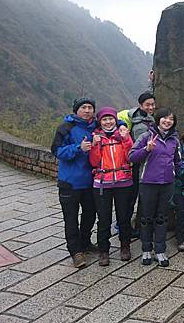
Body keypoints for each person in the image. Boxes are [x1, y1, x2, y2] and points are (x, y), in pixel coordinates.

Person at [129, 108, 181, 267]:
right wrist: (146, 149)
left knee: (162, 217)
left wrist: (173, 174)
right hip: (148, 183)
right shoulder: (146, 136)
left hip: (167, 184)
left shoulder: (174, 140)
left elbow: (178, 161)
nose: (167, 121)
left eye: (171, 119)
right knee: (146, 218)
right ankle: (146, 250)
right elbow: (132, 156)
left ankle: (160, 250)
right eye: (164, 118)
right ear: (158, 119)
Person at [50, 97, 98, 268]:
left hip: (91, 182)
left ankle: (85, 242)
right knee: (71, 219)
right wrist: (78, 148)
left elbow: (113, 120)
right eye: (83, 107)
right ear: (76, 110)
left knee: (90, 214)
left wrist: (121, 124)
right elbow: (56, 150)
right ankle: (75, 251)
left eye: (90, 107)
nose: (87, 110)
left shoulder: (95, 126)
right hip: (69, 182)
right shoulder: (66, 127)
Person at [89, 107, 134, 266]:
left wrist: (126, 139)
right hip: (102, 182)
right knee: (103, 219)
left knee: (124, 216)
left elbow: (130, 156)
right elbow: (94, 162)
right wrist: (94, 146)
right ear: (100, 122)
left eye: (111, 119)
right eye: (104, 119)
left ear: (116, 119)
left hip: (123, 181)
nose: (108, 122)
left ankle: (125, 246)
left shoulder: (123, 134)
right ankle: (103, 251)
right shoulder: (96, 137)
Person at [118, 91, 156, 237]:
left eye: (152, 104)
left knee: (140, 197)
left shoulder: (149, 118)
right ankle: (126, 227)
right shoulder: (138, 122)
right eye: (147, 104)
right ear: (141, 105)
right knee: (132, 197)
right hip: (136, 165)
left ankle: (136, 226)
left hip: (145, 164)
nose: (151, 107)